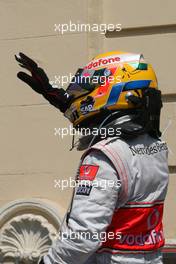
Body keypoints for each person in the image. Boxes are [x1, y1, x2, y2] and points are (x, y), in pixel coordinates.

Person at [15, 51, 169, 264]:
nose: (81, 94)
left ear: (114, 88)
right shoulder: (156, 146)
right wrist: (63, 101)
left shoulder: (105, 156)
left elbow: (82, 237)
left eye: (90, 85)